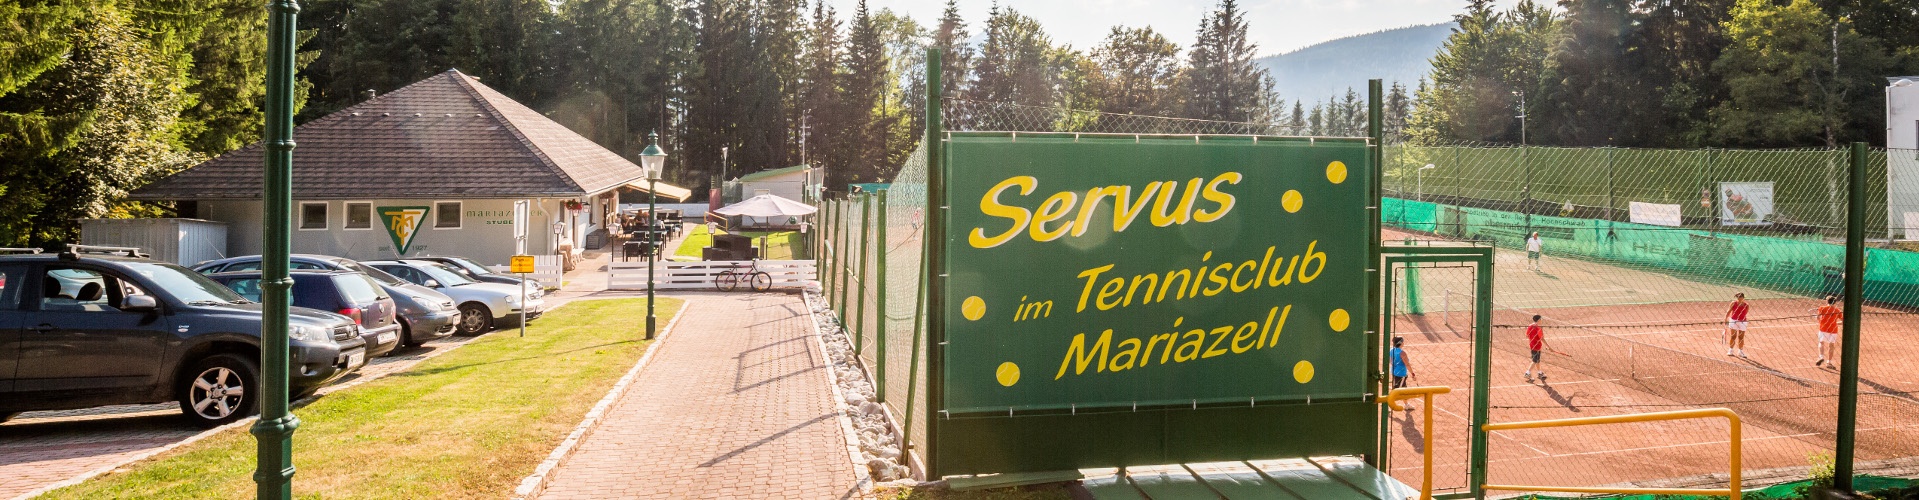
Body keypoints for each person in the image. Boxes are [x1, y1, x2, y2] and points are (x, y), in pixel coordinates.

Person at [1814, 295, 1841, 368]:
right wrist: (1835, 323)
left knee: (1821, 342)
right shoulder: (1837, 310)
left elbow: (1818, 317)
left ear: (1827, 301)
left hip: (1823, 328)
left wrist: (1820, 322)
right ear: (1835, 302)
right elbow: (1843, 321)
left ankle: (1821, 356)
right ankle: (1829, 362)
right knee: (1831, 345)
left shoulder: (1822, 308)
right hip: (1833, 330)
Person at [1524, 314, 1550, 383]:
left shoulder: (1530, 326)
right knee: (1535, 360)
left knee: (1537, 359)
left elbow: (1526, 335)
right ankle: (1527, 372)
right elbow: (1542, 338)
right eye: (1541, 319)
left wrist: (1532, 339)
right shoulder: (1539, 328)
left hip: (1532, 344)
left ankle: (1539, 372)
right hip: (1537, 346)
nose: (1541, 320)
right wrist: (1548, 346)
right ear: (1538, 320)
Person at [1725, 292, 1750, 358]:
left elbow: (1746, 312)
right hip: (1734, 321)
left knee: (1741, 337)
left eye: (1740, 297)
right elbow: (1729, 311)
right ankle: (1730, 350)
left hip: (1743, 321)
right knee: (1733, 336)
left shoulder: (1746, 305)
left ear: (1743, 298)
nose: (1739, 298)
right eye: (1738, 297)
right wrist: (1726, 319)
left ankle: (1740, 351)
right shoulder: (1733, 303)